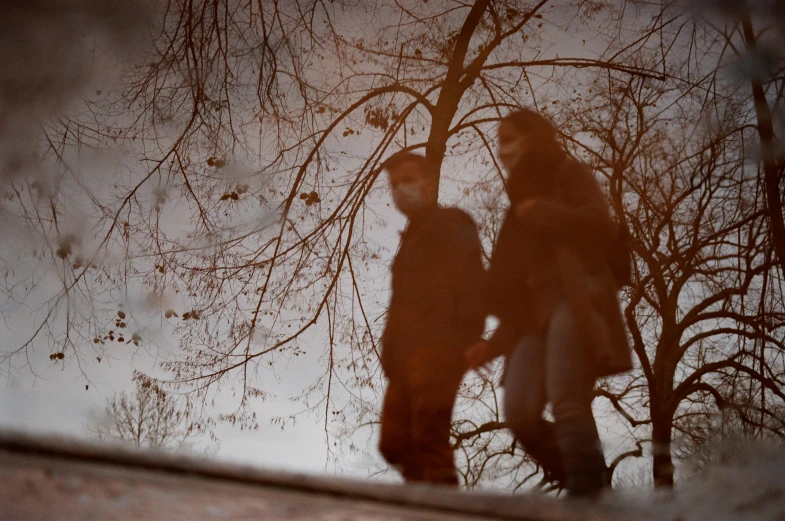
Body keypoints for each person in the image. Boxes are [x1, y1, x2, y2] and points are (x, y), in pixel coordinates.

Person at [465, 109, 632, 497]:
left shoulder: (567, 174)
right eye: (499, 142)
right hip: (531, 320)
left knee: (567, 398)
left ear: (534, 138)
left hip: (575, 299)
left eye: (509, 139)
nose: (502, 150)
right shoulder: (515, 208)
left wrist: (541, 212)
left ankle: (584, 495)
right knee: (519, 412)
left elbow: (600, 225)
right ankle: (592, 483)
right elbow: (517, 293)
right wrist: (492, 343)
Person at [378, 151, 485, 486]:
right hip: (403, 357)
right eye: (394, 184)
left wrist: (467, 336)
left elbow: (473, 278)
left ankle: (442, 507)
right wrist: (390, 355)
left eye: (408, 179)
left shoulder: (454, 221)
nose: (400, 189)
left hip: (440, 345)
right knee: (394, 442)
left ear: (430, 182)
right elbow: (398, 306)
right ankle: (425, 501)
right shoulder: (408, 243)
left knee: (428, 433)